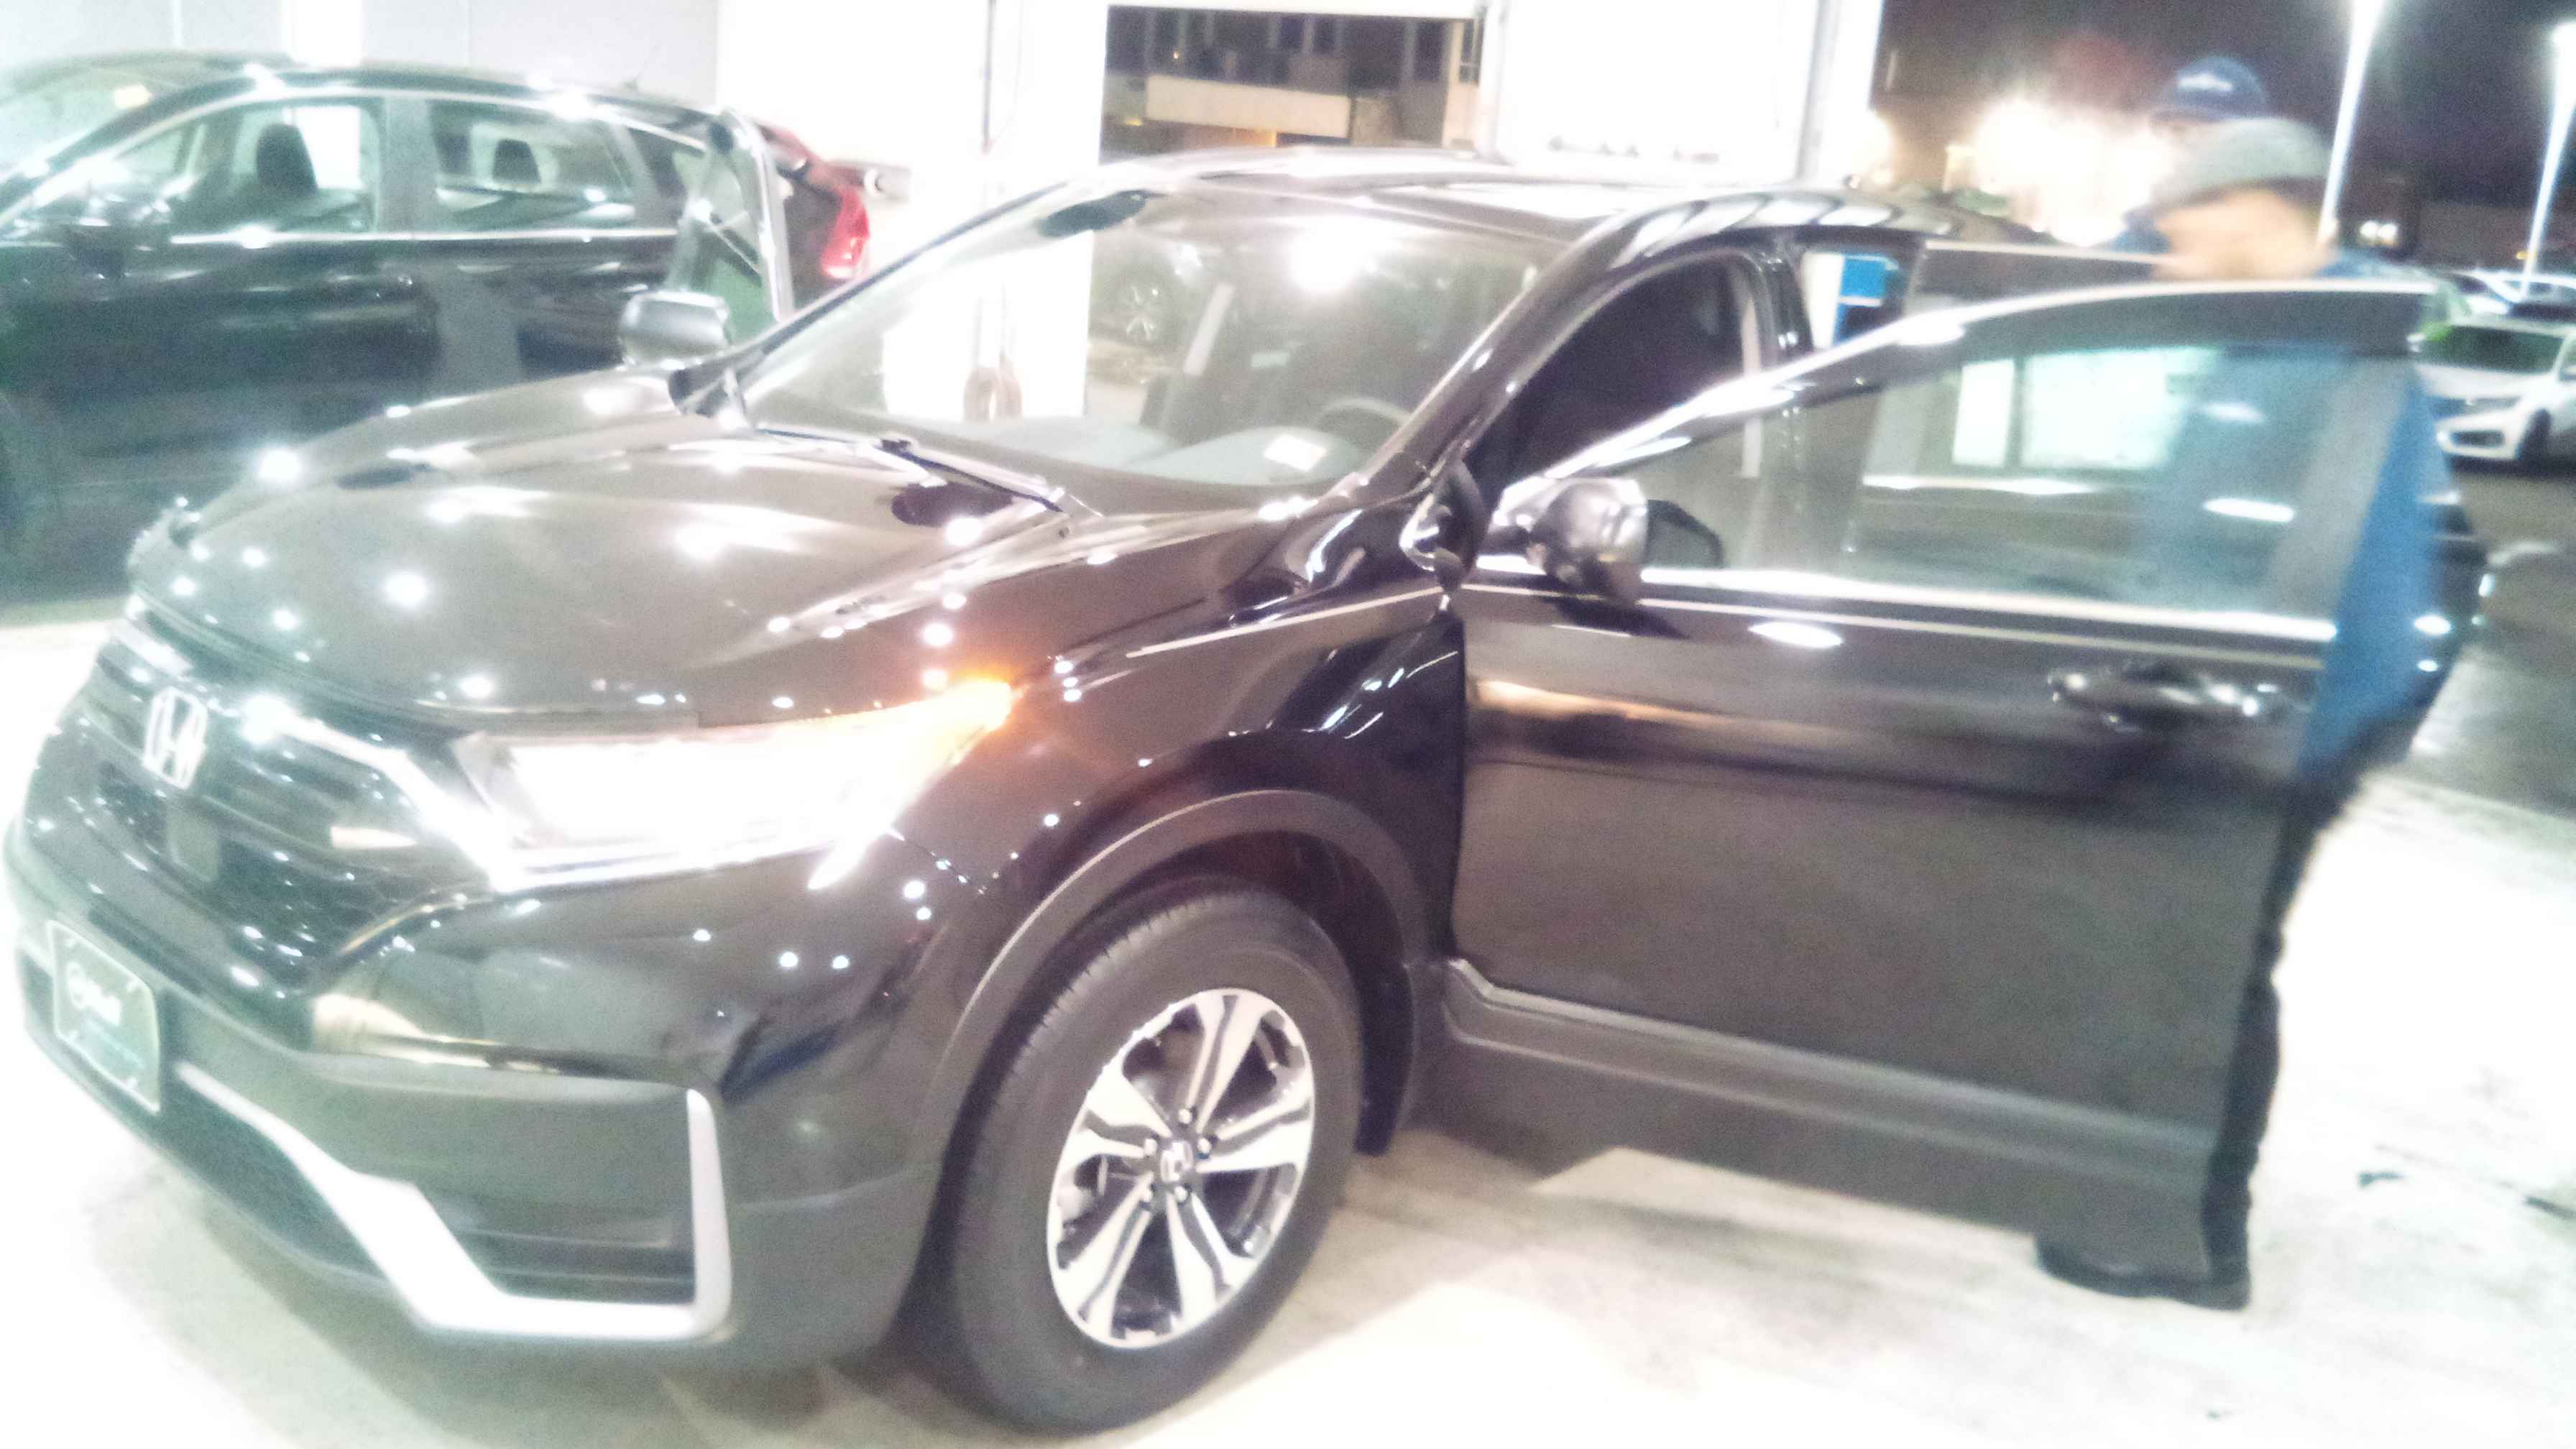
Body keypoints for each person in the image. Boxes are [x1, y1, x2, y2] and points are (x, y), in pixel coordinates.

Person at [2038, 119, 2446, 1310]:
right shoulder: (2276, 327)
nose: (2168, 259)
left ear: (2252, 209)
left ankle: (2192, 1241)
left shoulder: (2348, 346)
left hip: (2277, 729)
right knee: (2173, 963)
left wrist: (2272, 752)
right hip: (2219, 705)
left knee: (2210, 975)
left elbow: (2374, 586)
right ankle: (2144, 1189)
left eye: (2181, 233)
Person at [2107, 56, 2274, 254]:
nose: (2189, 148)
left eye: (2211, 136)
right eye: (2177, 132)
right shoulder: (2135, 245)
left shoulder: (2282, 245)